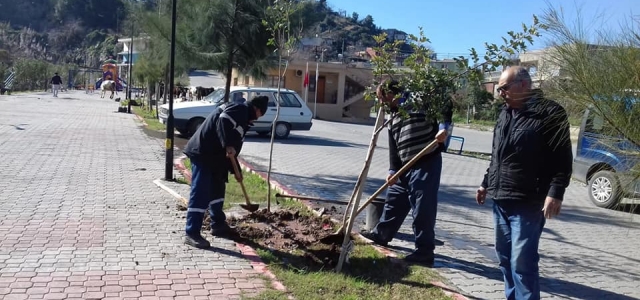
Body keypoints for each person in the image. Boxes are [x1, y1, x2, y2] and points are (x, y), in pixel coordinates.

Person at [476, 66, 572, 300]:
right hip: (500, 198)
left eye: (504, 88)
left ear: (523, 85)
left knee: (523, 261)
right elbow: (497, 154)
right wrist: (485, 183)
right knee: (505, 258)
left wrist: (556, 192)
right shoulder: (505, 114)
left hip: (529, 200)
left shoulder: (550, 112)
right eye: (499, 89)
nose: (500, 93)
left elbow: (563, 157)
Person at [361, 80, 451, 266]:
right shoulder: (392, 116)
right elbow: (394, 146)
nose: (380, 103)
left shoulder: (419, 99)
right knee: (393, 201)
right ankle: (381, 235)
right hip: (404, 167)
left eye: (381, 98)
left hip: (426, 162)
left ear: (390, 94)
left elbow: (445, 104)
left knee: (422, 208)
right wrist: (393, 170)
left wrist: (443, 128)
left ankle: (424, 252)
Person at [182, 96, 269, 249]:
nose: (257, 118)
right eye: (260, 114)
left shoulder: (244, 120)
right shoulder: (240, 108)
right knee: (201, 192)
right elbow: (223, 120)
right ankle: (192, 233)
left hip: (216, 158)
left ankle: (218, 224)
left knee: (218, 189)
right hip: (203, 152)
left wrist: (237, 170)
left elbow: (233, 150)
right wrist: (227, 144)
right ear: (257, 109)